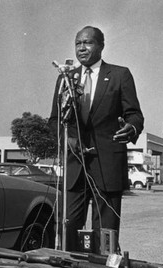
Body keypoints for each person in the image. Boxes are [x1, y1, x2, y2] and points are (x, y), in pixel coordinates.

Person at [48, 26, 144, 253]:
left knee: (106, 231)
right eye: (78, 43)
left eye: (88, 43)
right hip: (75, 166)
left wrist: (131, 128)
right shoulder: (66, 78)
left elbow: (134, 114)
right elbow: (54, 120)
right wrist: (68, 139)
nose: (82, 48)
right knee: (68, 225)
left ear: (101, 45)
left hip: (107, 164)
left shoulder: (120, 75)